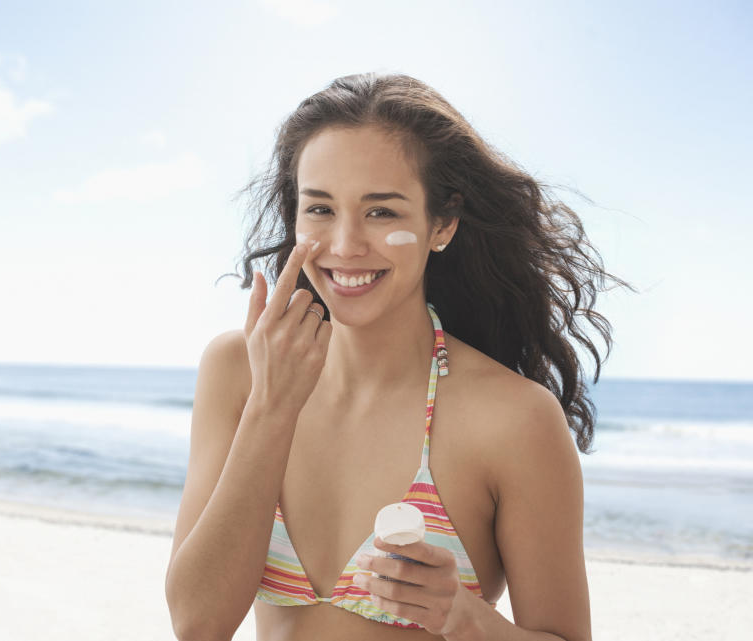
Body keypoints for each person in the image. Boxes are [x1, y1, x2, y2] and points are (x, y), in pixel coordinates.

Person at [166, 72, 632, 641]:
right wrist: (272, 405)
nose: (344, 245)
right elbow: (196, 624)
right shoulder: (238, 371)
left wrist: (466, 620)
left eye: (381, 212)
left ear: (442, 223)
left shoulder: (515, 419)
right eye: (320, 209)